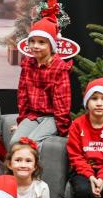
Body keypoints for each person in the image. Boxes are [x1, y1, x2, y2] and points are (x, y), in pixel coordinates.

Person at [10, 15, 72, 147]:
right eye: (32, 41)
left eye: (41, 42)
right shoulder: (27, 65)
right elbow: (22, 97)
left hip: (52, 118)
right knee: (15, 142)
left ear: (51, 45)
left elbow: (62, 104)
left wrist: (64, 130)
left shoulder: (59, 68)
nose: (35, 46)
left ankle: (34, 161)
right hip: (33, 116)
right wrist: (21, 122)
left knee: (32, 143)